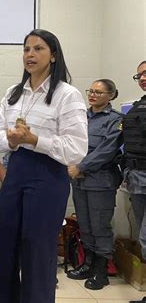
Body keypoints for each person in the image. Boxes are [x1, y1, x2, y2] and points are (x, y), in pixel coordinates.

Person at [0, 29, 88, 303]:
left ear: (53, 56)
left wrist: (35, 140)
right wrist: (10, 140)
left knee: (37, 250)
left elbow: (76, 148)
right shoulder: (13, 93)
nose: (30, 54)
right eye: (26, 49)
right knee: (5, 245)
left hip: (48, 176)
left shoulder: (67, 95)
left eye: (38, 49)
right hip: (15, 171)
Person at [66, 79, 123, 290]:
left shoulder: (115, 120)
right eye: (91, 91)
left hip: (100, 181)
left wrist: (80, 167)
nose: (93, 95)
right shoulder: (80, 116)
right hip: (79, 180)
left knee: (100, 226)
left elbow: (106, 150)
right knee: (85, 224)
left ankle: (102, 271)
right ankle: (87, 264)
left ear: (111, 95)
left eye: (99, 93)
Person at [124, 61, 146, 303]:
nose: (142, 78)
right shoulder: (138, 106)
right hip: (137, 177)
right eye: (138, 75)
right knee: (143, 236)